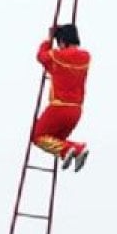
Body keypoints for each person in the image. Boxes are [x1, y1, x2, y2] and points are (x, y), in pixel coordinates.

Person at [32, 24, 91, 172]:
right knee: (55, 140)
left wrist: (49, 40)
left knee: (37, 136)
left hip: (59, 107)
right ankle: (74, 151)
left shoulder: (58, 55)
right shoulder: (86, 57)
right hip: (76, 111)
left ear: (62, 42)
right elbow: (58, 70)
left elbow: (41, 56)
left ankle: (72, 149)